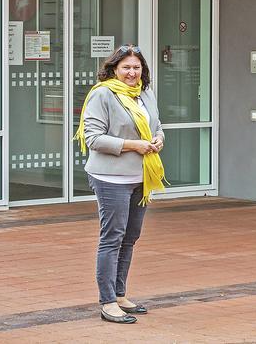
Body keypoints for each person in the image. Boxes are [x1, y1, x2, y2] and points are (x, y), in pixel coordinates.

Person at [74, 44, 165, 324]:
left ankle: (121, 293)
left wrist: (159, 139)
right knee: (112, 237)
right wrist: (132, 145)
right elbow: (94, 139)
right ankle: (108, 301)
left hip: (142, 177)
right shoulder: (103, 94)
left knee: (130, 237)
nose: (131, 72)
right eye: (126, 67)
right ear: (114, 69)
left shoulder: (145, 93)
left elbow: (157, 125)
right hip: (111, 177)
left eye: (136, 67)